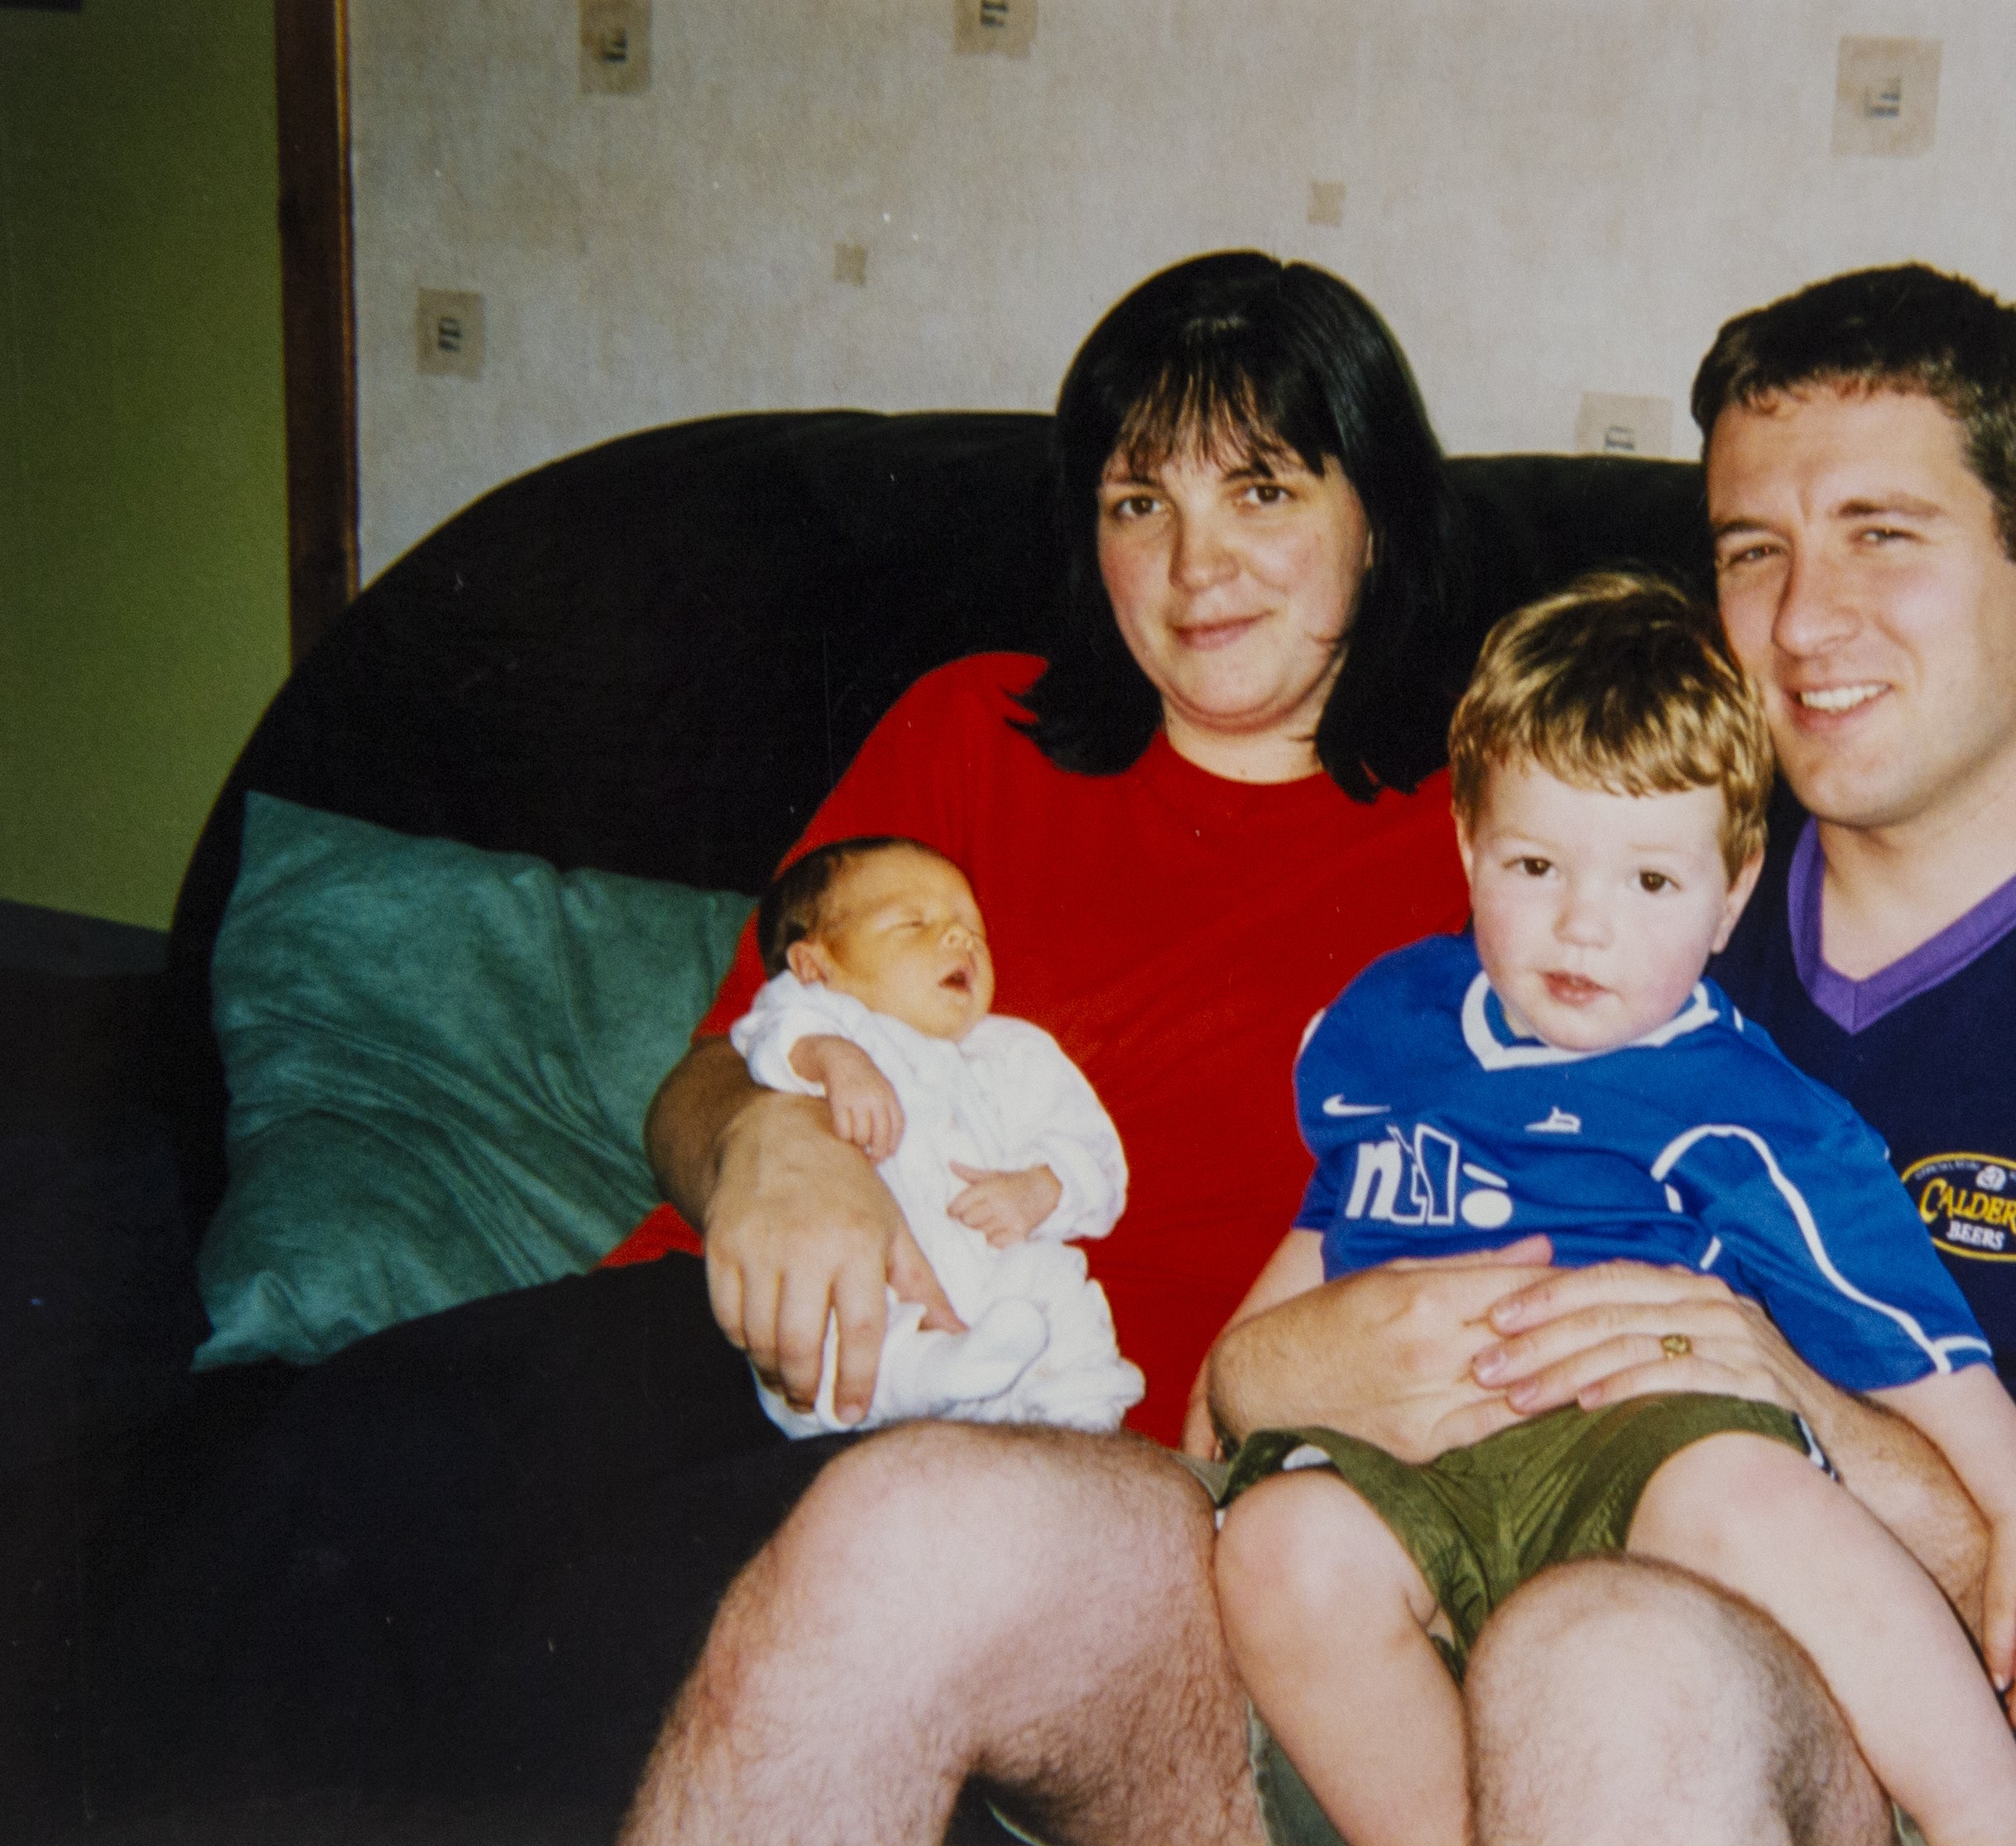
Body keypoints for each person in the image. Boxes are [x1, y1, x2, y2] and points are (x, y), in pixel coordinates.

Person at [99, 250, 1473, 1845]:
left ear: (1375, 514)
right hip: (702, 1328)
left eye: (1259, 490)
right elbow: (703, 1075)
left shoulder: (1480, 838)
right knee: (313, 1478)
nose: (1193, 565)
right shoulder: (974, 731)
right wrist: (763, 1142)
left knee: (639, 1665)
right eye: (1134, 502)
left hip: (1028, 1431)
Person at [1205, 265, 2016, 1841]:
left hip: (1852, 1737)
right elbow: (1249, 1371)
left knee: (1603, 1656)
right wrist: (1277, 1369)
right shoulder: (1601, 927)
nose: (1804, 625)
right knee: (945, 1522)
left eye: (1883, 534)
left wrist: (1829, 1439)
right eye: (1755, 552)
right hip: (1397, 1666)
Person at [1210, 573, 2016, 1846]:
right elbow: (1328, 1218)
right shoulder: (1382, 1024)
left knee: (1752, 1494)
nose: (1582, 924)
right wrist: (1222, 1397)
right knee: (1275, 1551)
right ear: (1465, 842)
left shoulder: (1746, 1107)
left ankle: (1988, 1813)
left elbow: (1912, 1339)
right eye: (1532, 863)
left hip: (1644, 1445)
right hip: (1405, 1458)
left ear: (1732, 891)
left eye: (1647, 883)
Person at [730, 835, 1140, 1436]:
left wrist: (1038, 1187)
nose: (959, 939)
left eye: (972, 929)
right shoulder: (826, 1022)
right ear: (815, 966)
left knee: (1055, 1280)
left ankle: (1083, 1406)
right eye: (913, 922)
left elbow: (1094, 1155)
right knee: (833, 1301)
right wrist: (833, 1059)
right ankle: (929, 1374)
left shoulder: (1012, 1050)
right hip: (870, 1270)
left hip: (986, 1266)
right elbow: (767, 1036)